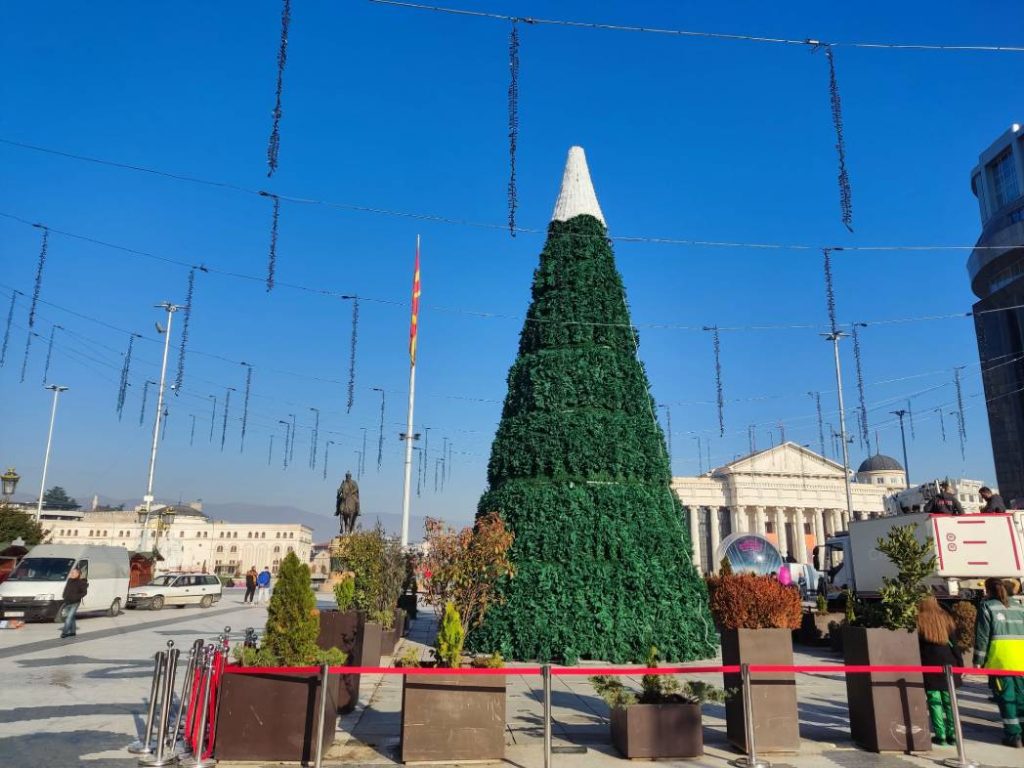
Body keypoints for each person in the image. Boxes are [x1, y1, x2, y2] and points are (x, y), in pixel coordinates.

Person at [974, 577, 1024, 747]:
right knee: (1021, 698)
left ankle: (1013, 735)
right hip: (1021, 661)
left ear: (987, 590)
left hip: (999, 661)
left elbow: (982, 636)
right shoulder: (1019, 607)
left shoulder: (987, 606)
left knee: (1006, 698)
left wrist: (978, 660)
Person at [917, 596, 960, 745]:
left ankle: (940, 735)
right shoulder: (946, 618)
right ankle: (953, 734)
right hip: (948, 661)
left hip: (929, 663)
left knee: (934, 700)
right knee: (949, 701)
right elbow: (954, 643)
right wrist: (960, 663)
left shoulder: (919, 620)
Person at [61, 567, 88, 639]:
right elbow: (66, 589)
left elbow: (84, 593)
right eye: (71, 573)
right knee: (71, 617)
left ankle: (64, 632)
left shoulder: (81, 582)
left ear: (78, 574)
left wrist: (76, 597)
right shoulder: (69, 580)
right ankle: (73, 631)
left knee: (68, 617)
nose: (71, 574)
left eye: (73, 573)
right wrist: (64, 596)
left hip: (75, 602)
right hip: (67, 601)